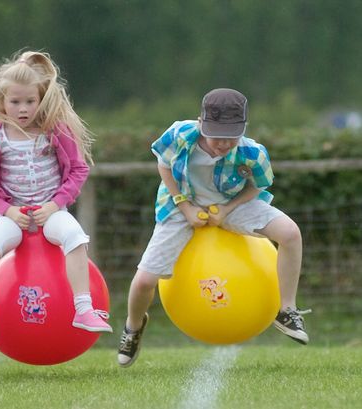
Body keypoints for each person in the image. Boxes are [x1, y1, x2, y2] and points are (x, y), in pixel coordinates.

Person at [117, 88, 310, 368]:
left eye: (230, 137)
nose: (222, 144)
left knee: (291, 233)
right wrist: (185, 207)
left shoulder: (253, 153)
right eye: (216, 135)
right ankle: (133, 328)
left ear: (242, 129)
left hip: (232, 205)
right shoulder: (180, 134)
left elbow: (258, 185)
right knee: (145, 281)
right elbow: (164, 166)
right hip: (181, 206)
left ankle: (287, 309)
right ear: (201, 123)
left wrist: (229, 210)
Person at [0, 50, 112, 347]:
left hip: (52, 212)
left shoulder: (55, 131)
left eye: (30, 101)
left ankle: (84, 309)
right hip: (12, 216)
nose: (23, 108)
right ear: (1, 102)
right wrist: (7, 210)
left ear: (41, 99)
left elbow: (79, 169)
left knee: (76, 239)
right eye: (15, 102)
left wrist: (54, 205)